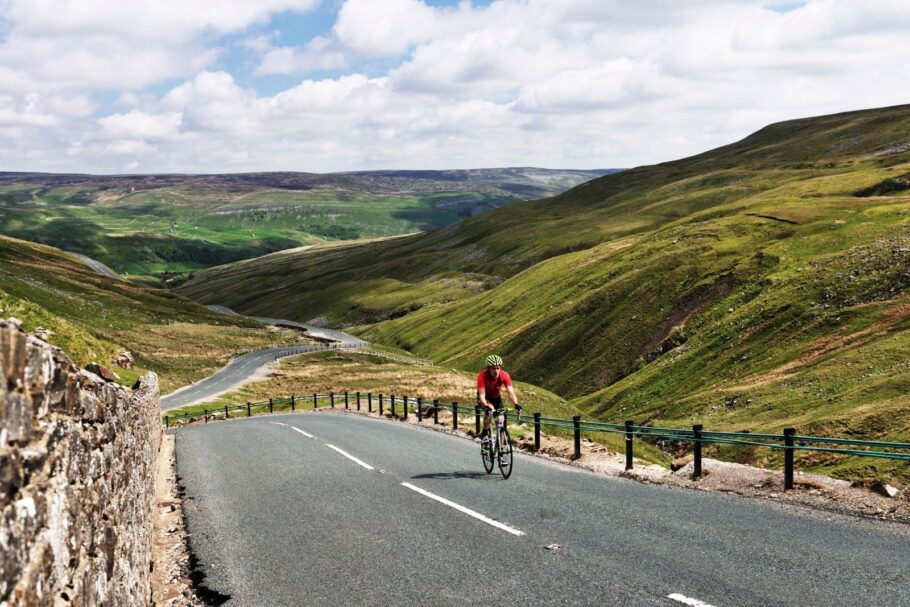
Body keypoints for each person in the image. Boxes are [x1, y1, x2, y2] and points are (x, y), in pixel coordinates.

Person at [477, 354, 521, 439]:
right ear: (488, 368)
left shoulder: (504, 375)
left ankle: (501, 446)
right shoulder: (482, 376)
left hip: (497, 398)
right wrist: (486, 406)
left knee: (500, 421)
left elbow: (511, 392)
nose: (496, 371)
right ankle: (485, 432)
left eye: (498, 368)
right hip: (485, 398)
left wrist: (516, 404)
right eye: (493, 368)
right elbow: (482, 395)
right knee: (489, 414)